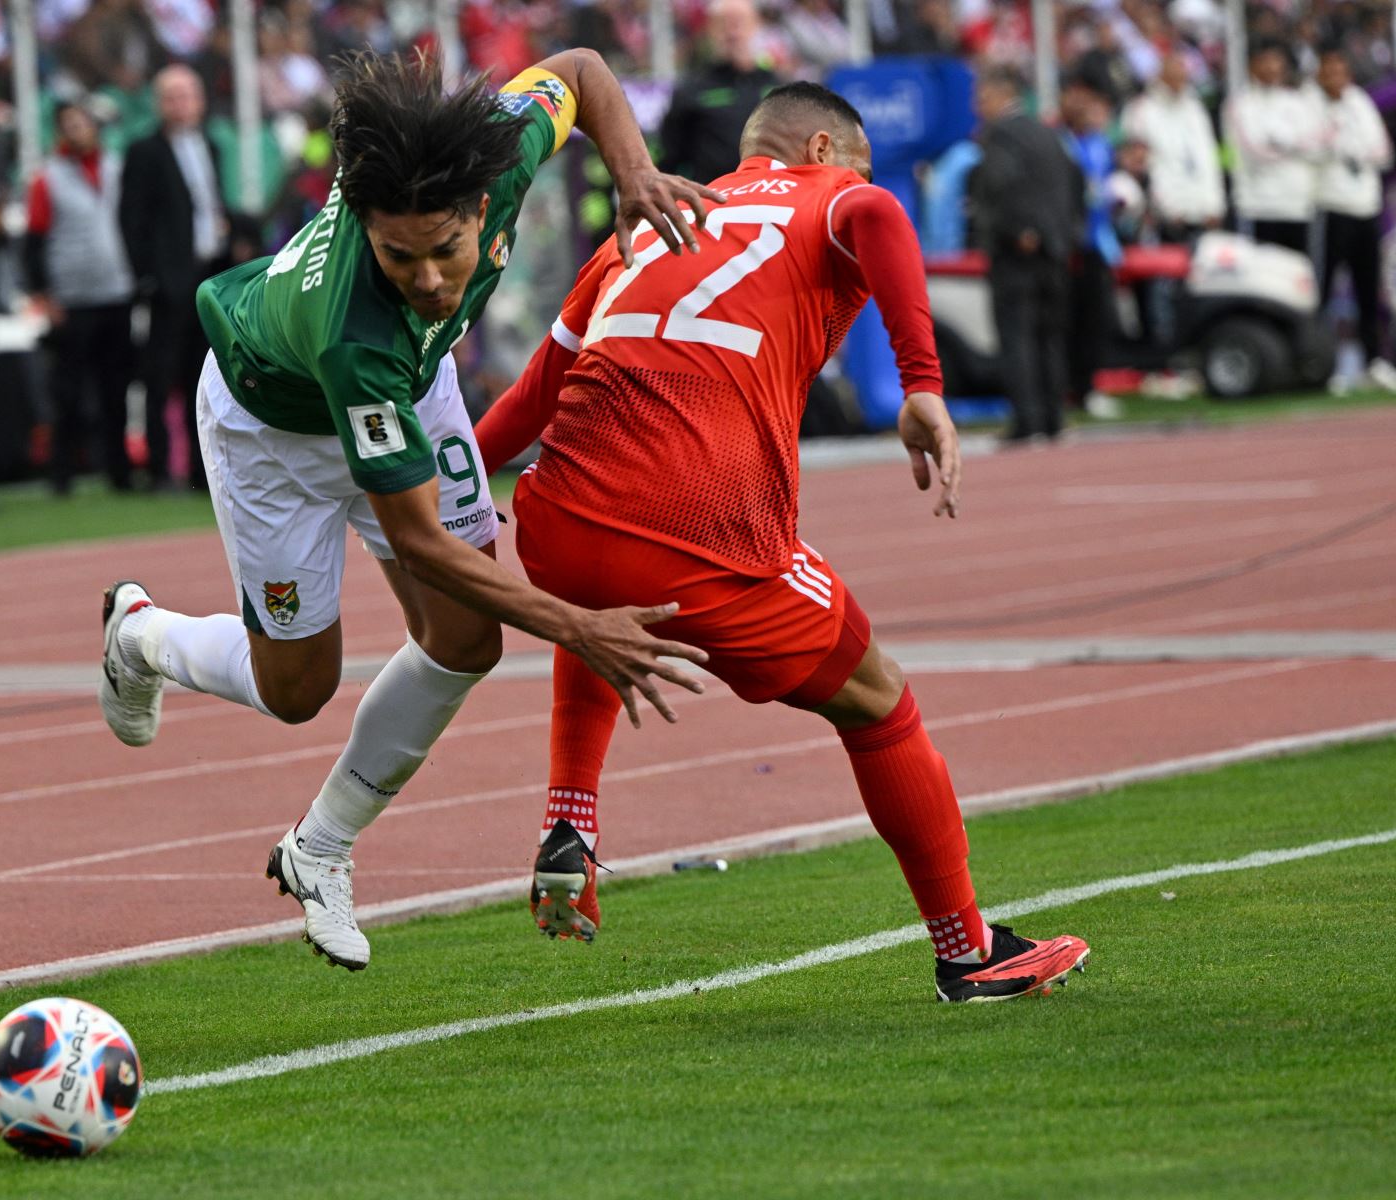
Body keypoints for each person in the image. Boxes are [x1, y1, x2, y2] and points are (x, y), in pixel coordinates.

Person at [96, 50, 720, 972]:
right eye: (399, 256)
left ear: (483, 206)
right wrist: (580, 629)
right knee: (297, 691)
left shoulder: (494, 157)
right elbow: (425, 545)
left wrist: (632, 171)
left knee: (468, 639)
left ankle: (320, 849)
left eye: (445, 252)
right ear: (364, 224)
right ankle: (141, 635)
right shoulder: (359, 333)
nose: (429, 280)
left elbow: (583, 71)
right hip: (274, 434)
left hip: (413, 392)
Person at [474, 81, 1090, 1003]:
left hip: (556, 515)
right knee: (881, 701)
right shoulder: (829, 193)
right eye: (858, 160)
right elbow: (875, 211)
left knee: (611, 607)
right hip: (699, 522)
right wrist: (924, 381)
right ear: (820, 150)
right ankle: (969, 950)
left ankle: (573, 818)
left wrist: (427, 490)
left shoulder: (642, 222)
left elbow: (530, 395)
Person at [121, 64, 227, 492]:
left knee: (205, 375)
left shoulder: (211, 144)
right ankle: (161, 469)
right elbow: (132, 219)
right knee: (161, 376)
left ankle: (204, 471)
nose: (181, 104)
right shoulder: (144, 151)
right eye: (173, 96)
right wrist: (148, 275)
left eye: (188, 95)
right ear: (159, 103)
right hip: (169, 282)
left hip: (208, 277)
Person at [25, 99, 136, 495]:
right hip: (71, 298)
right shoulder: (47, 177)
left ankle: (119, 473)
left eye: (82, 122)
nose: (77, 130)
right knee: (67, 392)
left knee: (115, 390)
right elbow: (34, 240)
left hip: (116, 291)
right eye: (68, 124)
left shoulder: (116, 168)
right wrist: (45, 295)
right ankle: (62, 475)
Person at [968, 68, 1081, 442]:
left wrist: (1020, 231)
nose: (977, 106)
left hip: (1017, 252)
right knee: (1050, 336)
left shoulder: (1000, 135)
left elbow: (1000, 184)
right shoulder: (1048, 133)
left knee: (1017, 335)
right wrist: (1064, 233)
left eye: (982, 97)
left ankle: (1027, 420)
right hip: (1055, 249)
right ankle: (1053, 417)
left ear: (1002, 95)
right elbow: (1076, 181)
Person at [1313, 46, 1396, 392]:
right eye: (1329, 70)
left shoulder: (1360, 102)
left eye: (1340, 70)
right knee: (1324, 290)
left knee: (1367, 289)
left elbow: (1381, 151)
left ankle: (1373, 361)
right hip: (1329, 206)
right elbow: (1313, 146)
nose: (1336, 77)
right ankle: (1323, 363)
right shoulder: (1308, 105)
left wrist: (1352, 151)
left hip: (1365, 206)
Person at [658, 0, 779, 187]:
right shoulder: (692, 90)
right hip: (715, 203)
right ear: (710, 29)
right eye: (724, 23)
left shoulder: (780, 86)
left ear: (757, 25)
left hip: (774, 199)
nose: (732, 32)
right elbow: (668, 161)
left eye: (739, 22)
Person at [1060, 75, 1123, 417]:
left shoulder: (1101, 145)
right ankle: (1071, 386)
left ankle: (1088, 386)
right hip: (1071, 245)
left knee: (1096, 318)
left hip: (1098, 243)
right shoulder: (1062, 143)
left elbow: (1106, 187)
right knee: (1070, 319)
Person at [1224, 40, 1322, 255]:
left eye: (1276, 61)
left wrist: (1282, 142)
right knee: (1260, 279)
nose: (1271, 67)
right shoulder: (1240, 105)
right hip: (1257, 206)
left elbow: (1318, 148)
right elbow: (1252, 152)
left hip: (1296, 206)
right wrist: (1295, 146)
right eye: (1264, 61)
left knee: (1297, 277)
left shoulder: (1298, 103)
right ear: (1252, 65)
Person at [1120, 48, 1225, 243]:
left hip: (1202, 209)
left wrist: (1214, 204)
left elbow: (1207, 158)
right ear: (1160, 76)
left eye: (1182, 74)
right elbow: (1142, 165)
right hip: (1164, 213)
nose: (1179, 80)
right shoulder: (1141, 110)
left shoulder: (1195, 109)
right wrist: (1167, 208)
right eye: (1172, 75)